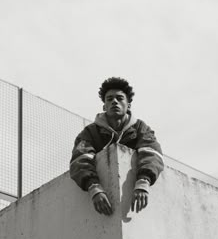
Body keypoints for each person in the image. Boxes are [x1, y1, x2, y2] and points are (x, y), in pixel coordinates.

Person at [70, 77, 164, 216]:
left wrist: (143, 182)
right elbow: (80, 161)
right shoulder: (90, 132)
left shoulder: (141, 128)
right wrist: (94, 188)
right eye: (109, 99)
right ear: (104, 106)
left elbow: (152, 153)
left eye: (120, 98)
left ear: (129, 105)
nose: (114, 101)